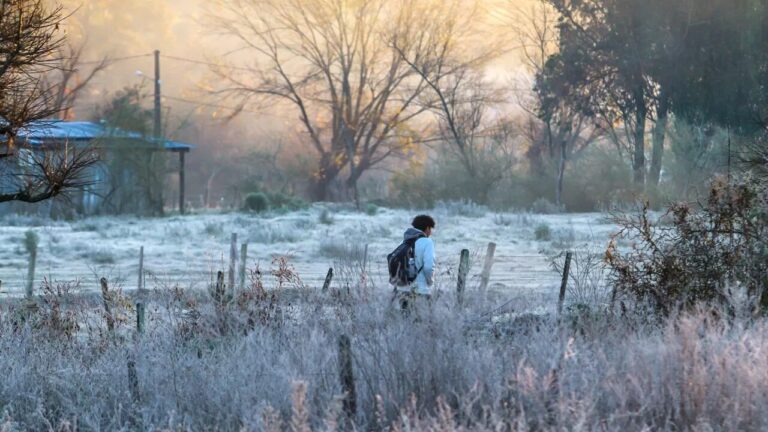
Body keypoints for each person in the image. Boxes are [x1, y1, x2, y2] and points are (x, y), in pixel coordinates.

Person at [396, 214, 436, 313]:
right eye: (430, 229)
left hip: (403, 288)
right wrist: (430, 281)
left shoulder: (405, 241)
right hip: (421, 289)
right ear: (427, 228)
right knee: (425, 320)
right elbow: (428, 267)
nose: (430, 232)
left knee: (405, 320)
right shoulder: (427, 242)